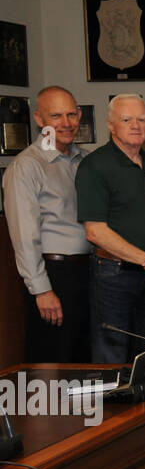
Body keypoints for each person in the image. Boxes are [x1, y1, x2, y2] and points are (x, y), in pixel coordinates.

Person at [75, 94, 145, 363]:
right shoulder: (94, 166)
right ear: (110, 125)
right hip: (114, 275)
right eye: (127, 119)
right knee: (112, 355)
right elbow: (95, 231)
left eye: (142, 119)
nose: (136, 125)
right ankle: (112, 407)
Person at [3, 86, 92, 362]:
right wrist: (42, 290)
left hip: (90, 273)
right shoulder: (27, 166)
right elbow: (24, 236)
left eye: (71, 115)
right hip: (54, 275)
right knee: (55, 363)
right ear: (39, 119)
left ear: (79, 116)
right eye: (56, 116)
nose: (66, 123)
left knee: (85, 362)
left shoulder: (86, 161)